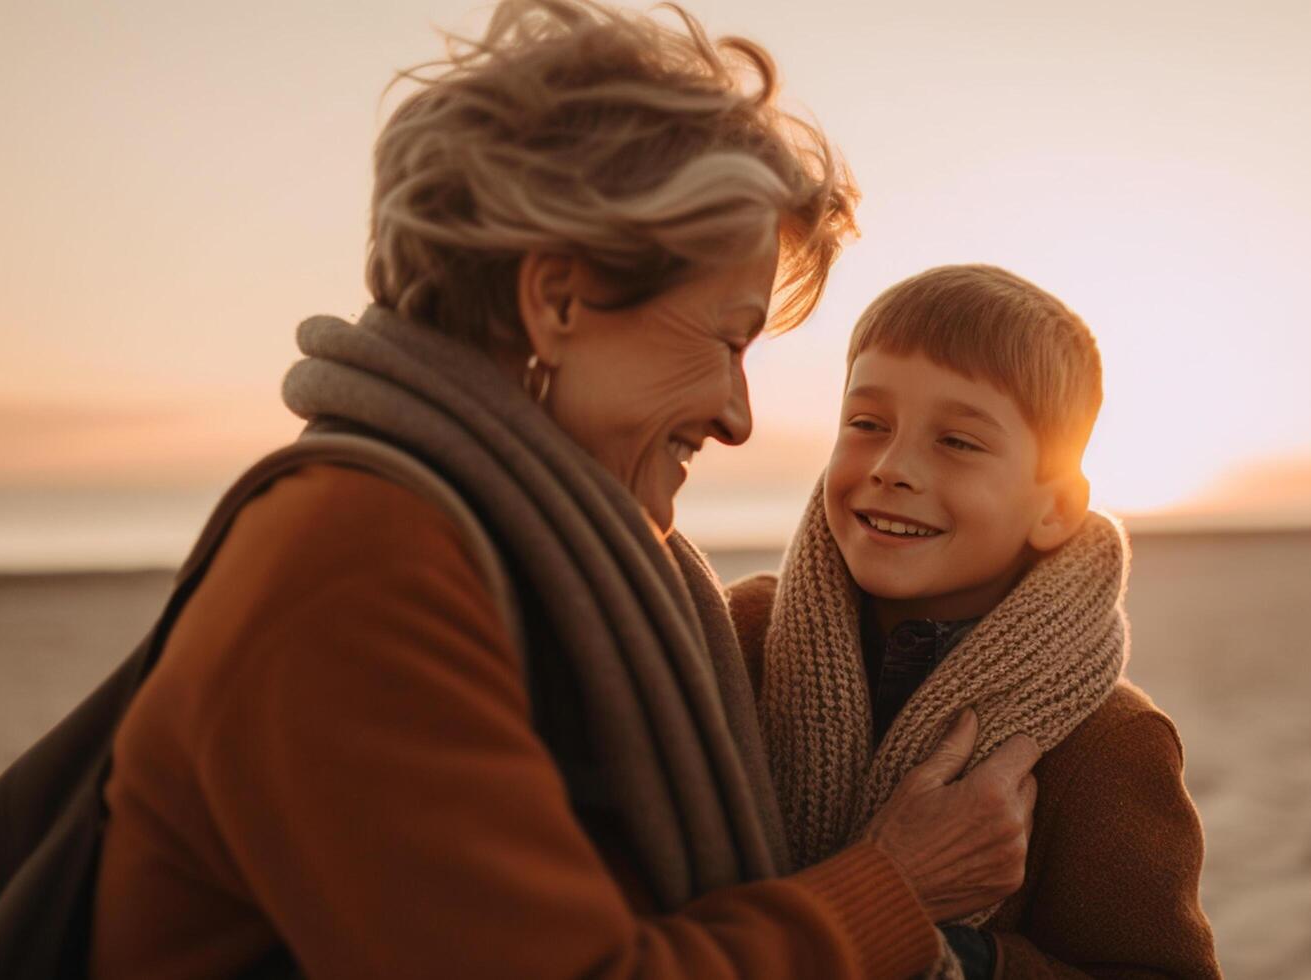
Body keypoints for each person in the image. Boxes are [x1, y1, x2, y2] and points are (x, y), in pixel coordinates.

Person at [89, 4, 1040, 978]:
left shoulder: (492, 553)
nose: (736, 414)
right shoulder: (359, 563)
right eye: (725, 338)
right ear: (558, 301)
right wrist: (892, 886)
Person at [730, 266, 1221, 979]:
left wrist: (971, 961)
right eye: (866, 424)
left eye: (957, 442)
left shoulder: (1105, 742)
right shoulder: (740, 637)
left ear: (1053, 508)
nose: (893, 466)